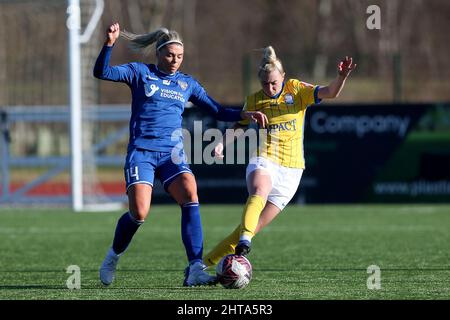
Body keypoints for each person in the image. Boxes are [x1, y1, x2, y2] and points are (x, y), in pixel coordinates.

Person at [93, 22, 267, 287]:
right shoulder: (140, 73)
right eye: (170, 55)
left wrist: (244, 114)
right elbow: (102, 72)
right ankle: (113, 256)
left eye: (180, 56)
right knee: (139, 213)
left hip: (171, 154)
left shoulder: (186, 84)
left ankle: (195, 267)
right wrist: (109, 43)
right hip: (142, 152)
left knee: (190, 191)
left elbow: (217, 111)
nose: (175, 61)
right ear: (158, 54)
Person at [203, 46, 356, 266]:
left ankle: (204, 265)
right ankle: (245, 240)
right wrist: (221, 144)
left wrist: (341, 76)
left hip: (292, 170)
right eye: (265, 83)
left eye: (274, 82)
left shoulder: (296, 89)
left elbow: (330, 92)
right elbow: (239, 126)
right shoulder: (254, 100)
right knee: (258, 191)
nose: (270, 87)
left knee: (247, 229)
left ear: (283, 77)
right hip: (265, 158)